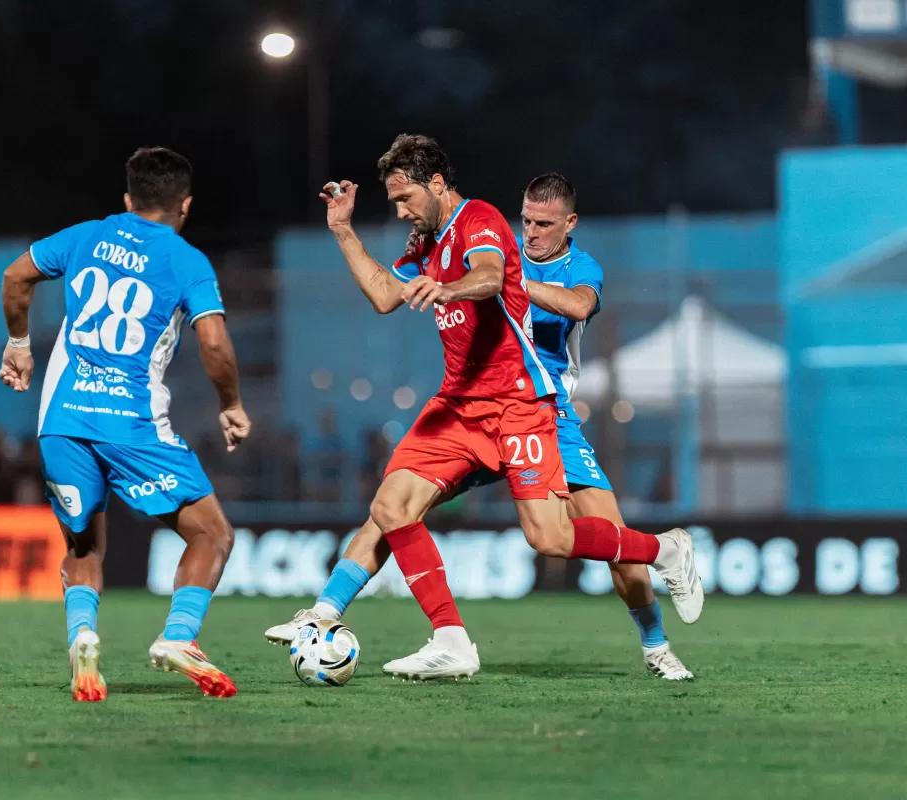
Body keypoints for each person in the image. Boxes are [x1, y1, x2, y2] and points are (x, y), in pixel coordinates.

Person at [275, 134, 702, 681]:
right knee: (390, 506)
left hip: (531, 406)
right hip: (461, 406)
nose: (532, 232)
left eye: (405, 199)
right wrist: (342, 230)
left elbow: (507, 282)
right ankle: (352, 618)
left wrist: (461, 287)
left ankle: (660, 604)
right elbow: (384, 295)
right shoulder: (436, 241)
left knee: (560, 538)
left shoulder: (494, 229)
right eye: (528, 222)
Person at [0, 147, 250, 702]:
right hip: (132, 426)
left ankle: (83, 636)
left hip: (61, 422)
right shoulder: (186, 260)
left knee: (84, 546)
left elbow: (16, 277)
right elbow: (213, 343)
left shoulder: (86, 236)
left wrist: (19, 344)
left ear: (127, 199)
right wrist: (230, 403)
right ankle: (178, 636)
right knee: (212, 534)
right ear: (186, 205)